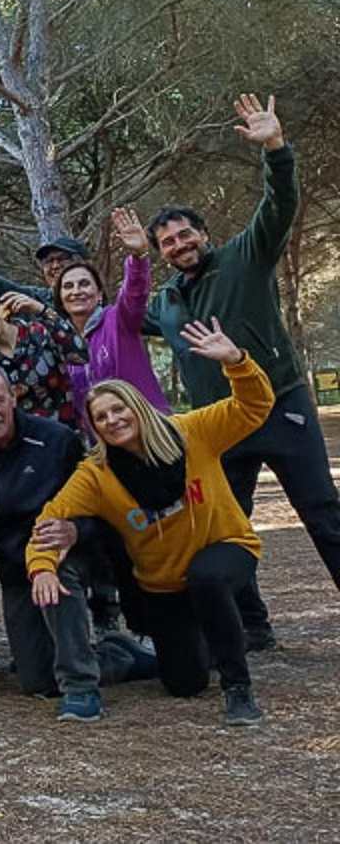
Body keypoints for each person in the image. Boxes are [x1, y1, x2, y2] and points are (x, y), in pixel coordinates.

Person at [143, 94, 340, 611]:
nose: (180, 244)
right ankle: (251, 625)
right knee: (227, 526)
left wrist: (275, 147)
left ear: (203, 234)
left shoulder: (243, 257)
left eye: (186, 233)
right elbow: (111, 320)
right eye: (168, 241)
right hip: (220, 425)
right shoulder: (165, 304)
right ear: (161, 252)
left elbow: (280, 206)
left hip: (282, 406)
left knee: (322, 511)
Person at [34, 320, 271, 726]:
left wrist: (236, 362)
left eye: (118, 409)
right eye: (101, 417)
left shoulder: (190, 431)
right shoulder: (97, 473)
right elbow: (50, 519)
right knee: (185, 682)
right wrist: (42, 566)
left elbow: (252, 407)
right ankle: (200, 637)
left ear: (137, 407)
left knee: (208, 578)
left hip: (226, 549)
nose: (113, 420)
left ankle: (238, 689)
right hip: (163, 583)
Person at [0, 365, 157, 722]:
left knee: (57, 575)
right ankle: (115, 656)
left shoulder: (57, 439)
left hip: (67, 551)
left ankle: (81, 688)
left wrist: (76, 530)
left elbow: (103, 504)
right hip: (15, 566)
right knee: (37, 680)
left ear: (14, 397)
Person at [54, 208, 171, 430]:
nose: (77, 291)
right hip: (104, 444)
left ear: (99, 294)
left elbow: (135, 293)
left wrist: (139, 257)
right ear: (60, 298)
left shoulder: (118, 320)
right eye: (68, 286)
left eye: (84, 283)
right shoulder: (60, 344)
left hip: (151, 433)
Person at [0, 283, 88, 427]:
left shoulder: (39, 332)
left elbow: (81, 355)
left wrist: (42, 310)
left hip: (68, 432)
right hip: (23, 443)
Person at [0, 187, 91, 306]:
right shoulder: (37, 299)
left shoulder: (106, 313)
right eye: (49, 261)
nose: (55, 266)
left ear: (85, 265)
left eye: (64, 258)